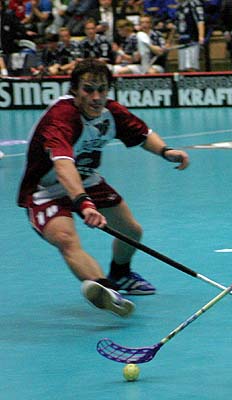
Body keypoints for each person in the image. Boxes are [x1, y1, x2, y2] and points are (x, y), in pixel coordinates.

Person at [17, 58, 189, 317]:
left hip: (86, 178)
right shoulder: (61, 118)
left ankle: (120, 274)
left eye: (102, 89)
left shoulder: (111, 112)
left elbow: (142, 134)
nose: (96, 97)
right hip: (45, 188)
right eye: (88, 89)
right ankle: (107, 291)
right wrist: (84, 203)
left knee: (131, 230)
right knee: (65, 239)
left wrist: (166, 151)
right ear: (74, 90)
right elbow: (63, 166)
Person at [174, 0, 205, 71]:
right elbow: (176, 25)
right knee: (183, 68)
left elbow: (200, 21)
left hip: (192, 40)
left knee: (191, 67)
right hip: (182, 41)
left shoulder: (194, 3)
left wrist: (201, 37)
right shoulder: (179, 7)